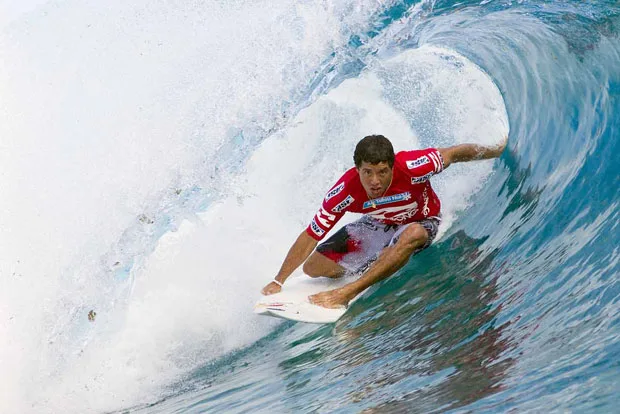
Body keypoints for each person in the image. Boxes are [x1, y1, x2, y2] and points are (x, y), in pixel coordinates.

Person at [261, 134, 507, 309]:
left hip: (422, 220)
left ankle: (348, 291)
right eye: (367, 172)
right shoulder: (344, 192)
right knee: (313, 268)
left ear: (392, 166)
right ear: (357, 169)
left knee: (412, 235)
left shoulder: (414, 166)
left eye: (382, 172)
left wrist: (495, 151)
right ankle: (375, 259)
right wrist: (278, 280)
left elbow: (453, 153)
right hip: (377, 223)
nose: (375, 180)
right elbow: (311, 234)